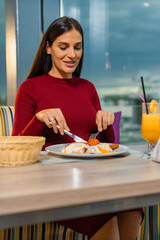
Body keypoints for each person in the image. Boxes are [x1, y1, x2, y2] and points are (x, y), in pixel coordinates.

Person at [12, 16, 143, 240]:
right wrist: (39, 118)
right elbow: (16, 149)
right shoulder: (29, 88)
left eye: (77, 47)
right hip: (51, 184)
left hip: (93, 179)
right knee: (104, 215)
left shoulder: (88, 88)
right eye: (63, 47)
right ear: (48, 48)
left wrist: (106, 122)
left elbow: (104, 144)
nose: (72, 55)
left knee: (132, 207)